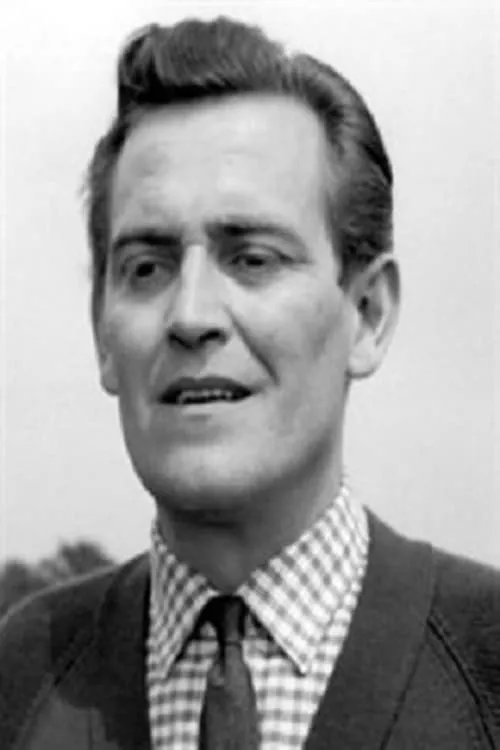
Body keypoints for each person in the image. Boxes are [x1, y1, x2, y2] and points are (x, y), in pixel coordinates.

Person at [0, 16, 498, 750]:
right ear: (101, 332)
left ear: (367, 314)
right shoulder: (21, 682)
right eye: (147, 267)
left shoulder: (486, 669)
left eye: (253, 259)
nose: (191, 315)